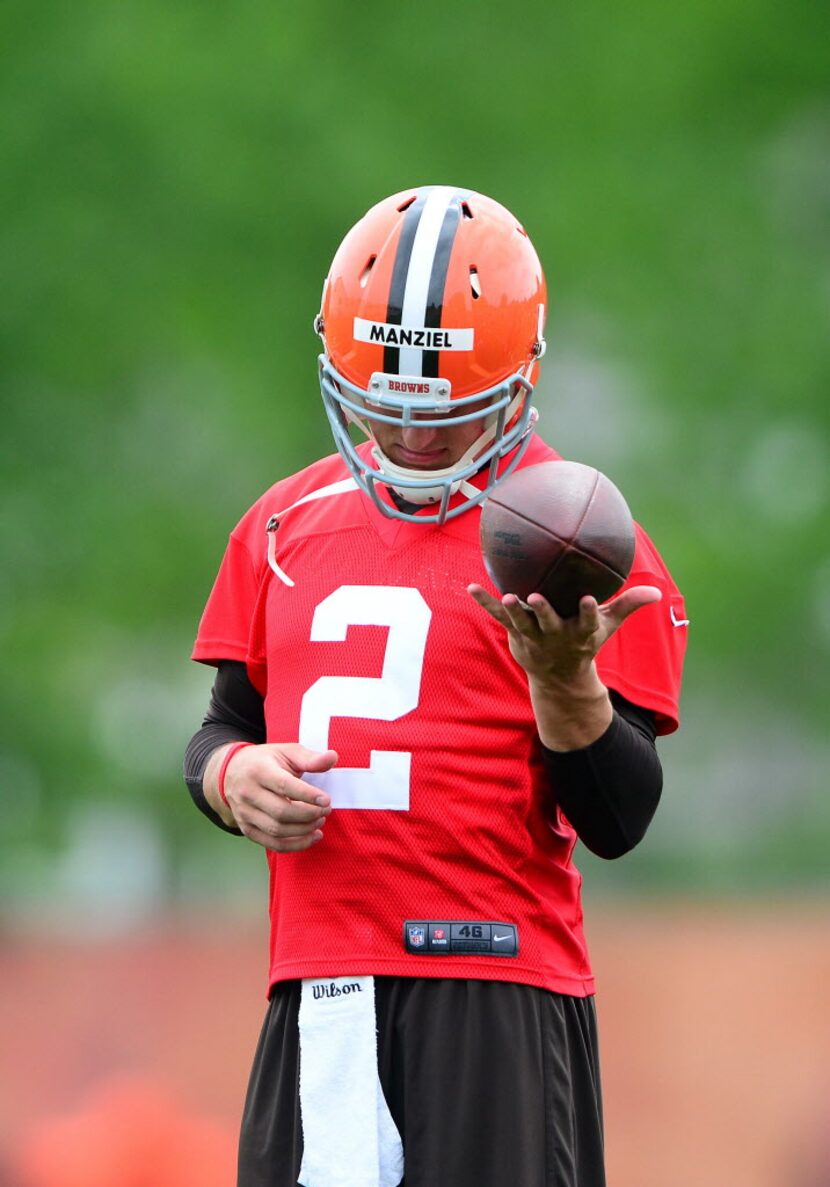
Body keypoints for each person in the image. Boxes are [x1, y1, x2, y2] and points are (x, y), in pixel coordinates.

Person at [184, 185, 687, 1187]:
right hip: (318, 987)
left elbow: (620, 816)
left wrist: (566, 691)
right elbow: (220, 728)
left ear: (516, 379)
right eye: (386, 405)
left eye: (445, 414)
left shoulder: (572, 539)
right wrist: (232, 777)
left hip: (493, 983)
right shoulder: (283, 523)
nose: (413, 439)